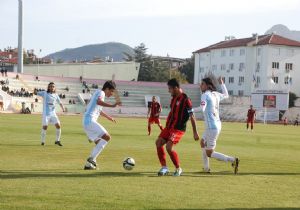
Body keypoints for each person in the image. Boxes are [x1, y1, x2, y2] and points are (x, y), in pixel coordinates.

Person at [195, 77, 239, 174]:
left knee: (209, 153)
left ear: (207, 85)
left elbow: (202, 109)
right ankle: (206, 168)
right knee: (202, 142)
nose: (200, 86)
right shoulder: (215, 94)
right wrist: (222, 84)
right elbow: (226, 95)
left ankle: (233, 160)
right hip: (216, 125)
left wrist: (190, 110)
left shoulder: (205, 95)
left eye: (202, 84)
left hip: (212, 127)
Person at [155, 78, 199, 176]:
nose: (168, 91)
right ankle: (164, 168)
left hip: (178, 129)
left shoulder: (186, 100)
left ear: (176, 88)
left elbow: (192, 116)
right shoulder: (174, 98)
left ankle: (178, 168)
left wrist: (195, 132)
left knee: (169, 147)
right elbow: (172, 112)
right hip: (169, 127)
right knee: (158, 143)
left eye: (170, 88)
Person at [83, 80, 121, 170]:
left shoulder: (98, 93)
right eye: (111, 91)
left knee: (99, 143)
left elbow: (98, 110)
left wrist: (109, 117)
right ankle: (91, 158)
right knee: (107, 137)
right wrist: (112, 105)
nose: (112, 94)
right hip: (90, 121)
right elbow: (98, 102)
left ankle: (88, 165)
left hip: (87, 122)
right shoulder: (101, 93)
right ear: (107, 89)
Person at [34, 82, 65, 146]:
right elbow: (35, 93)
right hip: (46, 114)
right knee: (45, 127)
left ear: (54, 88)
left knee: (58, 126)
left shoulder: (56, 95)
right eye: (50, 86)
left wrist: (63, 108)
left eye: (53, 86)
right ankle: (43, 141)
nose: (52, 87)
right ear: (48, 87)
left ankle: (57, 140)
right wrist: (34, 90)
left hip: (53, 114)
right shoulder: (44, 93)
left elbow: (60, 102)